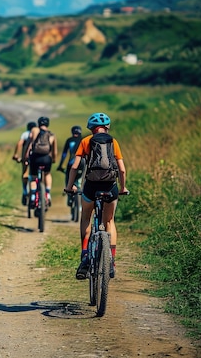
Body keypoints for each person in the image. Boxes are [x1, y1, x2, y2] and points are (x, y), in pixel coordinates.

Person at [64, 113, 128, 280]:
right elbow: (122, 169)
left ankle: (85, 255)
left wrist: (69, 186)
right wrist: (123, 187)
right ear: (107, 127)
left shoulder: (86, 141)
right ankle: (111, 261)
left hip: (91, 187)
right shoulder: (113, 142)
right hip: (110, 186)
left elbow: (74, 166)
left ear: (91, 128)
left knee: (86, 217)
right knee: (109, 221)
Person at [23, 116, 57, 208]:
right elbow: (54, 151)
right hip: (46, 158)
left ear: (39, 124)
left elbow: (29, 145)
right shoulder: (51, 135)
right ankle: (48, 193)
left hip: (35, 158)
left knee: (33, 177)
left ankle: (33, 196)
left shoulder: (34, 131)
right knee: (47, 174)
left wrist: (26, 158)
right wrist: (53, 160)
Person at [57, 125, 84, 208]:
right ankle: (79, 191)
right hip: (83, 163)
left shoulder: (69, 140)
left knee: (68, 178)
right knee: (80, 178)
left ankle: (69, 193)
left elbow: (64, 154)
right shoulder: (83, 140)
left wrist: (60, 165)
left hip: (72, 163)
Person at [12, 121, 37, 205]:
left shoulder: (25, 134)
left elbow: (19, 143)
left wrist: (16, 154)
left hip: (26, 157)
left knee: (25, 173)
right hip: (37, 157)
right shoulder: (38, 133)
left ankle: (25, 191)